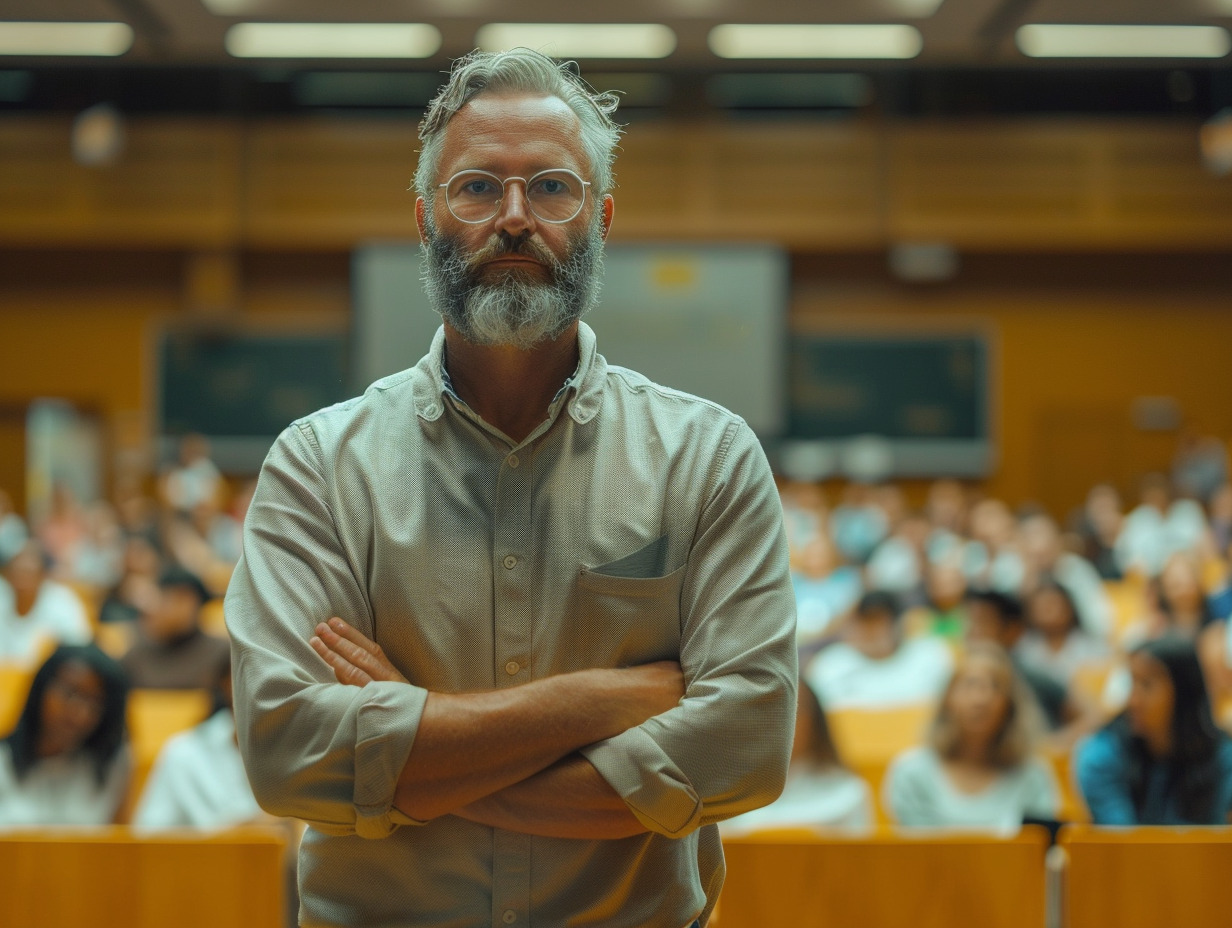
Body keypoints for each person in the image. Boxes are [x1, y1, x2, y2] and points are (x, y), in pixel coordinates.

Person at [225, 48, 797, 928]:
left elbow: (745, 748)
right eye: (478, 188)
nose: (516, 218)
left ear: (600, 218)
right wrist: (601, 700)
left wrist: (411, 747)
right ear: (426, 219)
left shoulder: (709, 458)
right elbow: (287, 754)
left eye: (553, 189)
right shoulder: (319, 465)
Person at [883, 642, 1059, 831]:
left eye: (995, 686)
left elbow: (1038, 852)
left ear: (1010, 705)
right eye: (970, 684)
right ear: (948, 698)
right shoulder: (912, 773)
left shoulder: (1033, 775)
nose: (981, 699)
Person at [1076, 636, 1232, 825]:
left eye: (1146, 685)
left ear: (1184, 693)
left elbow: (1214, 843)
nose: (1133, 701)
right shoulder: (1101, 756)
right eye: (1132, 684)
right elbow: (1124, 845)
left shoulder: (1222, 757)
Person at [0, 643, 130, 826]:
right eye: (69, 693)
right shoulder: (4, 761)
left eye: (94, 703)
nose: (79, 712)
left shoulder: (111, 762)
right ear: (42, 689)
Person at [720, 679, 872, 835]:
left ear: (814, 721)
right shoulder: (719, 794)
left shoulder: (849, 792)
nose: (776, 722)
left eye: (790, 710)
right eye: (763, 710)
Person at [964, 588, 1103, 748]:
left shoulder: (1032, 676)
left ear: (1011, 631)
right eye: (967, 622)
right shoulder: (954, 677)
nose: (971, 633)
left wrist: (1054, 746)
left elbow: (1092, 716)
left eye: (982, 623)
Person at [805, 590, 953, 710]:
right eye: (867, 621)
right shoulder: (830, 665)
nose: (873, 631)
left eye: (881, 622)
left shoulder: (931, 655)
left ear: (899, 624)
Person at [122, 567, 230, 689]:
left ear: (191, 603)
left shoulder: (221, 655)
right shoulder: (135, 658)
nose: (152, 609)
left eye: (166, 599)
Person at [0, 539, 92, 667]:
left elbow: (78, 645)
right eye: (16, 572)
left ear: (42, 576)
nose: (21, 580)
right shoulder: (3, 595)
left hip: (46, 677)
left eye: (28, 573)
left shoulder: (61, 601)